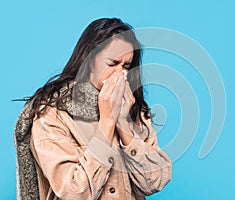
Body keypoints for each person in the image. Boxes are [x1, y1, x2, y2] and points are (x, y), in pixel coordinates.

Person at [14, 18, 171, 200]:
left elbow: (156, 181)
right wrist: (107, 122)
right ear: (89, 60)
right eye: (112, 63)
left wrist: (124, 123)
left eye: (126, 66)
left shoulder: (133, 109)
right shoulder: (52, 114)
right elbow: (74, 191)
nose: (121, 73)